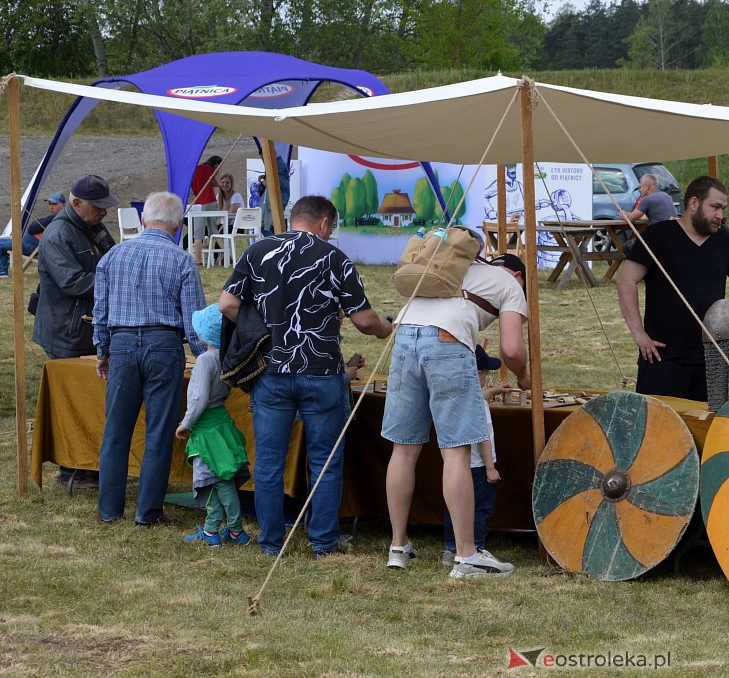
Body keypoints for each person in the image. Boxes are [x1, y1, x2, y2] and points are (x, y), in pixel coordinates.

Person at [219, 195, 394, 559]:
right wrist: (384, 329)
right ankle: (322, 543)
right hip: (322, 373)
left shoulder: (258, 252)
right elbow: (363, 319)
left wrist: (262, 334)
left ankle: (270, 543)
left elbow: (227, 304)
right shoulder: (333, 258)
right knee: (325, 461)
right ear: (324, 223)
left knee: (268, 463)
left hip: (272, 372)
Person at [382, 247, 530, 579]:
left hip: (405, 335)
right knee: (457, 453)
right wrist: (523, 376)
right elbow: (511, 349)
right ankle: (466, 556)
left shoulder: (452, 267)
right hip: (447, 342)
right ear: (519, 276)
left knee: (403, 450)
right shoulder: (510, 286)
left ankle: (398, 546)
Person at [94, 191, 206, 526]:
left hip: (122, 343)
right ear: (177, 225)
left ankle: (109, 512)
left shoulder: (112, 256)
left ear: (144, 219)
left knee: (116, 431)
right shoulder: (182, 260)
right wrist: (204, 360)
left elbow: (100, 311)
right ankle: (148, 514)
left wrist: (102, 351)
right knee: (159, 432)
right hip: (163, 344)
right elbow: (194, 320)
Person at [616, 175, 729, 402]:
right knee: (658, 430)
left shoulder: (725, 241)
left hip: (712, 360)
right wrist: (639, 334)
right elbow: (625, 281)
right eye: (715, 207)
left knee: (709, 431)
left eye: (723, 208)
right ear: (693, 203)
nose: (721, 215)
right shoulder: (658, 235)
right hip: (662, 358)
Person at [177, 304, 251, 547]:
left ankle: (224, 530)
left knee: (214, 480)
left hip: (206, 428)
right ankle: (222, 529)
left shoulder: (204, 361)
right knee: (222, 478)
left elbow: (199, 398)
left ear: (205, 334)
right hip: (221, 423)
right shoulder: (226, 358)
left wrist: (186, 424)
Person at [34, 176, 117, 360]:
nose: (104, 212)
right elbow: (73, 283)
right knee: (69, 386)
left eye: (105, 206)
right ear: (77, 203)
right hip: (67, 334)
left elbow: (113, 257)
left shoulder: (92, 224)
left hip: (87, 328)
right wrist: (120, 280)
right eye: (98, 206)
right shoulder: (57, 235)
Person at [440, 375, 509, 568]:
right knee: (479, 509)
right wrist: (490, 468)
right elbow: (483, 438)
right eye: (484, 373)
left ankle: (451, 548)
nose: (485, 377)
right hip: (479, 467)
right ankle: (475, 547)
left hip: (456, 467)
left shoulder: (454, 398)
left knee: (454, 508)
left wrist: (493, 392)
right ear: (475, 372)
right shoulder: (478, 406)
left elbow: (478, 397)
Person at [0, 192, 66, 278]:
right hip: (28, 244)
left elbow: (32, 228)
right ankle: (1, 271)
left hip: (32, 247)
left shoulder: (57, 218)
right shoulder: (54, 217)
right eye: (50, 204)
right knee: (1, 242)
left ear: (63, 204)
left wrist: (36, 223)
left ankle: (1, 271)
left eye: (54, 204)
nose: (51, 207)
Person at [190, 155, 223, 265]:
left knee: (198, 234)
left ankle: (198, 260)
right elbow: (219, 183)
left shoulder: (195, 170)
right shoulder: (211, 170)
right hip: (211, 201)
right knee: (214, 231)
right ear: (215, 164)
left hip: (199, 203)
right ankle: (228, 255)